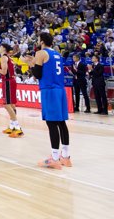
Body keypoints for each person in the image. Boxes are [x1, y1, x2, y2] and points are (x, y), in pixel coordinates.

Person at [23, 32, 71, 170]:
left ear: (42, 41)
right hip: (60, 89)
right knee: (61, 123)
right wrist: (34, 62)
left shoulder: (40, 53)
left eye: (38, 39)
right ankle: (66, 157)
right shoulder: (57, 54)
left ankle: (55, 159)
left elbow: (38, 74)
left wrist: (30, 63)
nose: (37, 41)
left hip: (49, 90)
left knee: (52, 124)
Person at [0, 44, 23, 138]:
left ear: (4, 49)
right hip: (11, 81)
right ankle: (12, 126)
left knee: (6, 104)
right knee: (12, 104)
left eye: (0, 47)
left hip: (7, 81)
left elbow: (3, 72)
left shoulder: (4, 57)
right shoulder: (8, 57)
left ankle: (18, 128)